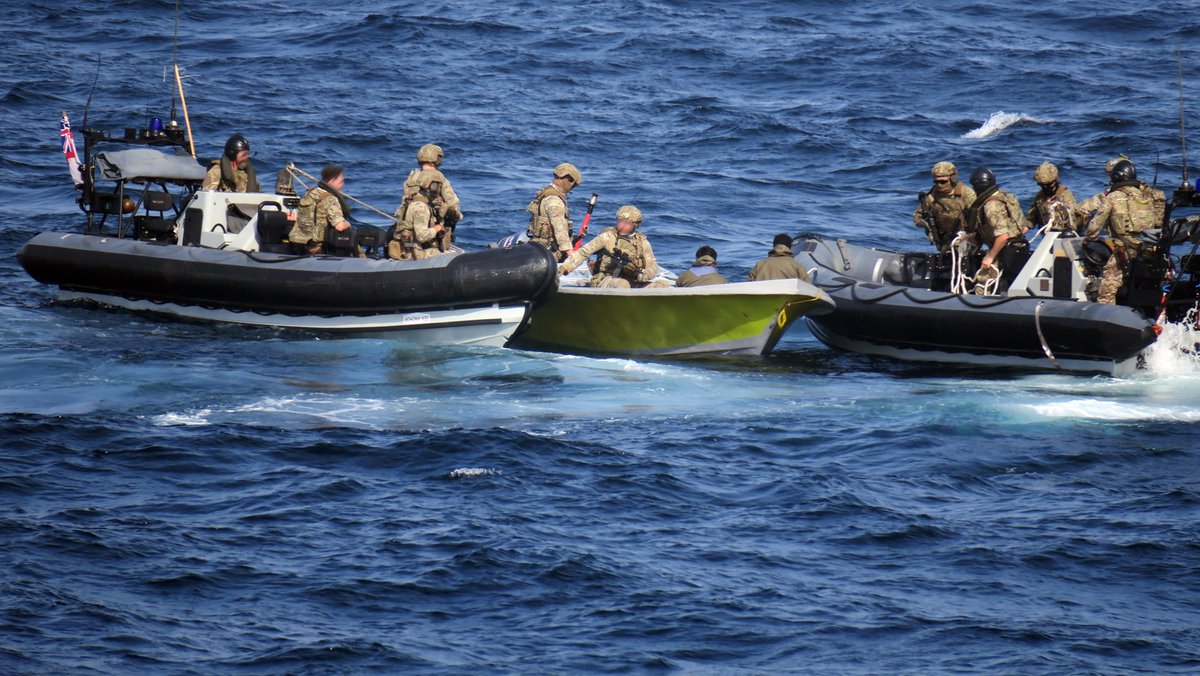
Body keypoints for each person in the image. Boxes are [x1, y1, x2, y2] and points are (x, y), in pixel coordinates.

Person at [1084, 159, 1159, 304]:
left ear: (1116, 177)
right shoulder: (1147, 197)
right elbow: (1155, 225)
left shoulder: (1112, 197)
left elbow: (1094, 228)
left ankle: (1106, 317)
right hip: (1148, 252)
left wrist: (1089, 239)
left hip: (1124, 253)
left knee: (1106, 291)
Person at [558, 205, 668, 288]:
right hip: (605, 280)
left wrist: (639, 275)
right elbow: (582, 253)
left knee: (663, 285)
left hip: (633, 280)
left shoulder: (642, 242)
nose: (622, 226)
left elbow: (652, 267)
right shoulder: (607, 237)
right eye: (620, 221)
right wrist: (563, 269)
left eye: (627, 223)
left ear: (635, 225)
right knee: (622, 284)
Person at [389, 144, 463, 260]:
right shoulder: (438, 177)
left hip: (407, 239)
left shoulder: (412, 178)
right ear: (436, 159)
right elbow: (453, 205)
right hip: (422, 246)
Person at [963, 167, 1028, 294]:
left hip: (1004, 249)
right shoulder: (1004, 196)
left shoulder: (991, 206)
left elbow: (1003, 236)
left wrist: (990, 257)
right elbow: (1021, 226)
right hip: (1017, 247)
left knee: (982, 283)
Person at [289, 165, 351, 255]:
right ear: (332, 180)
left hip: (297, 244)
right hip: (315, 248)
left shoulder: (310, 193)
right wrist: (348, 224)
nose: (342, 185)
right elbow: (340, 226)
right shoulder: (330, 199)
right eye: (341, 181)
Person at [913, 161, 976, 250]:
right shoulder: (932, 195)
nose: (939, 185)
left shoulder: (965, 193)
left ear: (952, 178)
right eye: (936, 182)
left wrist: (967, 234)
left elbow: (977, 218)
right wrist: (927, 227)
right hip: (943, 238)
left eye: (943, 182)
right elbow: (917, 215)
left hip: (965, 237)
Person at [527, 163, 582, 262]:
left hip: (538, 248)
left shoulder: (545, 193)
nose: (571, 189)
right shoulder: (555, 202)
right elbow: (559, 229)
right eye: (573, 185)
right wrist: (571, 255)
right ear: (568, 180)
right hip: (549, 253)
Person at [1026, 162, 1077, 231]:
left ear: (1055, 181)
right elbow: (1031, 219)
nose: (1045, 188)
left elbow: (1072, 222)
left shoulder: (1066, 196)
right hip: (1048, 236)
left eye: (1048, 185)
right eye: (1042, 185)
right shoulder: (1040, 197)